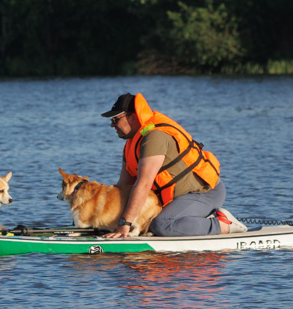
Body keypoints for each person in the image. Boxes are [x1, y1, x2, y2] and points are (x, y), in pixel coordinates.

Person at [100, 92, 247, 238]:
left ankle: (223, 224)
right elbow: (123, 187)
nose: (112, 125)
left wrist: (124, 223)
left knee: (162, 225)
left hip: (204, 192)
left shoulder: (154, 137)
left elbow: (143, 184)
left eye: (115, 119)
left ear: (132, 117)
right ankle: (194, 220)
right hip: (176, 200)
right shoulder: (130, 144)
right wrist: (108, 219)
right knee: (151, 222)